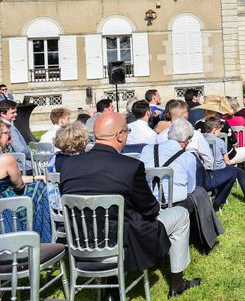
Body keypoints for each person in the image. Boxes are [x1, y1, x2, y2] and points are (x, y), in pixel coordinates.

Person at [60, 111, 200, 298]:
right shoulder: (129, 167)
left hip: (83, 241)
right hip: (124, 243)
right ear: (119, 135)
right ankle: (177, 283)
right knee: (181, 214)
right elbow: (151, 209)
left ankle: (112, 287)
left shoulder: (69, 166)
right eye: (126, 131)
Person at [140, 118, 224, 252]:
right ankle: (208, 240)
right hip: (175, 204)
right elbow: (190, 189)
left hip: (148, 202)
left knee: (197, 194)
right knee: (199, 193)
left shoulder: (147, 150)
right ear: (185, 142)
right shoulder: (188, 157)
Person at [0, 122, 50, 242]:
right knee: (40, 189)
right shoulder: (6, 159)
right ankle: (41, 238)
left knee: (37, 183)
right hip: (5, 211)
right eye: (7, 134)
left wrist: (34, 177)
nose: (11, 140)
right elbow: (18, 185)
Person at [193, 96, 245, 182]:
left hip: (205, 158)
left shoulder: (198, 124)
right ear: (216, 111)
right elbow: (233, 141)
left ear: (204, 110)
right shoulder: (222, 123)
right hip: (226, 157)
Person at [202, 117, 245, 205]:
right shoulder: (220, 142)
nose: (220, 132)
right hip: (219, 170)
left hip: (206, 170)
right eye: (219, 130)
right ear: (214, 130)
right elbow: (227, 161)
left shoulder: (202, 139)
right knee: (240, 172)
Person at [0, 99, 32, 174]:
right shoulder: (7, 128)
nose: (16, 114)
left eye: (15, 112)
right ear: (3, 114)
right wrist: (32, 156)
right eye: (13, 113)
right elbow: (20, 149)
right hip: (20, 166)